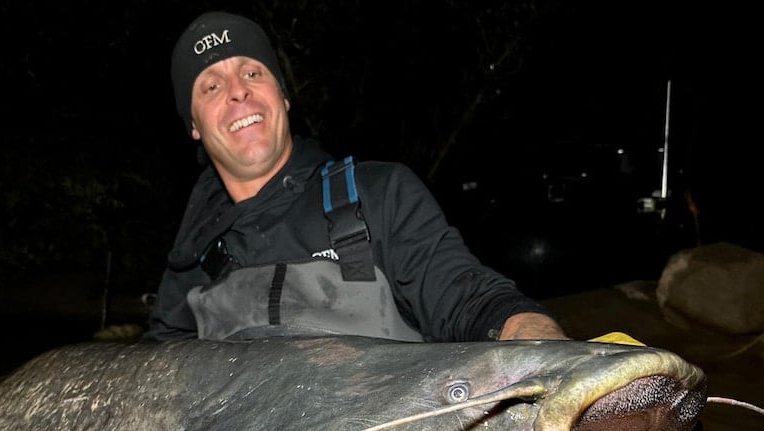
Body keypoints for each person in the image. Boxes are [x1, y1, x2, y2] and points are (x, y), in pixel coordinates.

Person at [146, 10, 567, 343]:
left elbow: (472, 302)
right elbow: (152, 378)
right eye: (211, 87)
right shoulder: (193, 253)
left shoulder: (376, 194)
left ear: (284, 96)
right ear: (194, 126)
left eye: (253, 72)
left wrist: (550, 359)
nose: (238, 90)